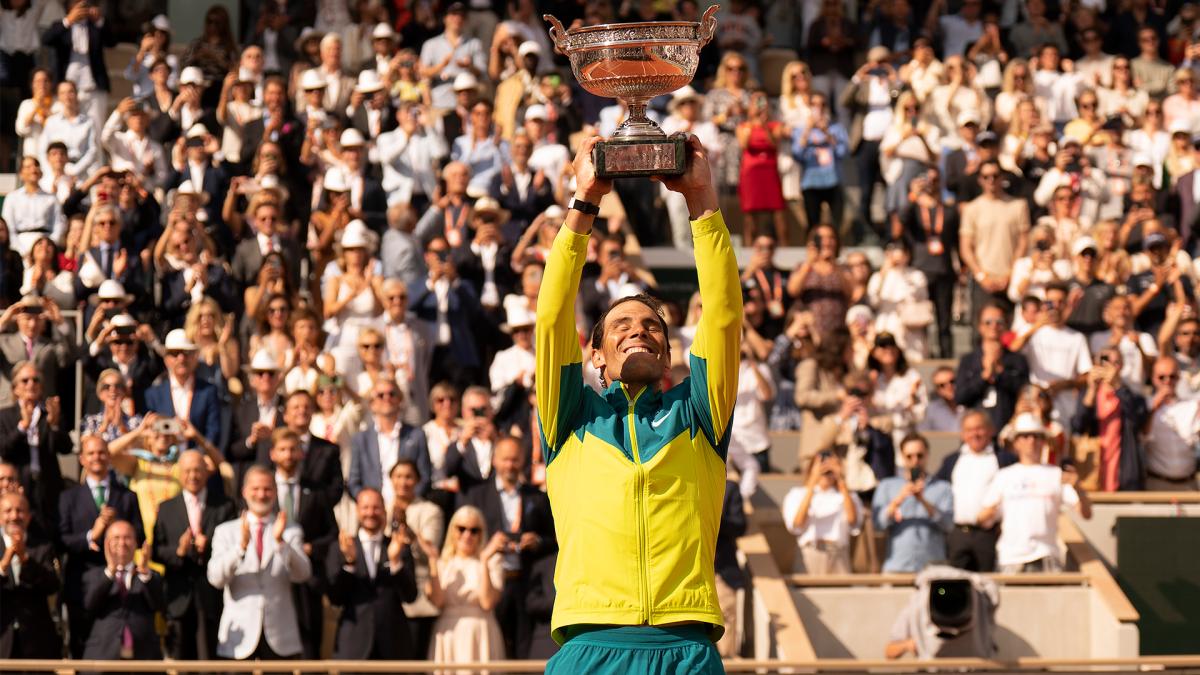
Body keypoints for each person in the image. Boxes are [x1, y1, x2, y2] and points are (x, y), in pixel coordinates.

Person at [536, 135, 735, 672]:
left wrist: (702, 202)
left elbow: (721, 315)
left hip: (686, 648)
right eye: (621, 326)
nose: (638, 332)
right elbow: (552, 317)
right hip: (588, 648)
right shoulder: (569, 418)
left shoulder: (698, 415)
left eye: (652, 327)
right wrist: (584, 203)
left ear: (670, 358)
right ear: (594, 355)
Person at [461, 435, 556, 659]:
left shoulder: (538, 498)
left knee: (523, 646)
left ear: (522, 460)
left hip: (526, 582)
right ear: (494, 460)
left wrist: (538, 541)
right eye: (505, 459)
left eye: (514, 460)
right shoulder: (477, 495)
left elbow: (554, 539)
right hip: (490, 581)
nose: (509, 465)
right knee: (493, 647)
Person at [207, 464, 312, 660]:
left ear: (274, 492)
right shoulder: (226, 531)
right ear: (245, 492)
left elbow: (303, 574)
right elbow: (215, 578)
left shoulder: (290, 530)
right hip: (238, 636)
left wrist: (282, 543)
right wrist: (241, 547)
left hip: (280, 636)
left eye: (267, 489)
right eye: (256, 489)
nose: (261, 494)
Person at [58, 434, 145, 657]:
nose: (97, 457)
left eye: (102, 452)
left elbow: (140, 535)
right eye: (91, 453)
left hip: (119, 589)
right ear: (82, 459)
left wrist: (119, 537)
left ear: (109, 456)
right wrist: (91, 535)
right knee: (81, 649)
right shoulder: (68, 497)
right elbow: (63, 540)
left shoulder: (127, 496)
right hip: (82, 584)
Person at [151, 449, 237, 660]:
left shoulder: (225, 506)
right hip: (177, 597)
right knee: (180, 661)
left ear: (207, 472)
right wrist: (178, 551)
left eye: (198, 470)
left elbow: (233, 546)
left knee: (209, 660)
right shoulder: (166, 508)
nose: (193, 476)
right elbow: (156, 551)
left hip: (212, 597)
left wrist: (208, 547)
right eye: (187, 470)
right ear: (179, 474)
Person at [978, 413, 1092, 573]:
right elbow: (982, 519)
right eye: (1025, 436)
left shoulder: (1056, 474)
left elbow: (1086, 513)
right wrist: (990, 512)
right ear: (1016, 442)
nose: (1031, 440)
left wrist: (1078, 488)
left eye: (1036, 436)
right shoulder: (1004, 476)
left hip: (1046, 555)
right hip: (1010, 558)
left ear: (1043, 441)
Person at [327, 487, 419, 660]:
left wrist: (395, 562)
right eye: (366, 507)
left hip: (393, 645)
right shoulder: (340, 547)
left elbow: (410, 596)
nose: (371, 513)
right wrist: (350, 562)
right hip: (353, 645)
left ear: (384, 510)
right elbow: (335, 598)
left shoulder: (399, 547)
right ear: (357, 510)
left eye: (376, 507)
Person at [423, 504, 506, 667]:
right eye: (461, 529)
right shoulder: (441, 563)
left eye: (474, 530)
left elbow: (487, 602)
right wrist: (433, 561)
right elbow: (438, 602)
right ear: (452, 531)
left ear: (481, 534)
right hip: (448, 634)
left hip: (482, 634)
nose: (467, 535)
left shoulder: (493, 562)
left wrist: (484, 561)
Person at [933, 411, 1016, 573]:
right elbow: (937, 490)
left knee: (986, 585)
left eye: (979, 428)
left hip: (988, 535)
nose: (975, 434)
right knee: (954, 586)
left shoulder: (1004, 459)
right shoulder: (952, 460)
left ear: (991, 430)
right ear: (963, 434)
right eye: (969, 430)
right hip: (957, 534)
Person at [80, 519, 164, 661]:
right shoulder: (93, 575)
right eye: (116, 538)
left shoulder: (150, 576)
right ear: (106, 543)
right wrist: (111, 571)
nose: (122, 543)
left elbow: (160, 605)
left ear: (136, 543)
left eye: (127, 538)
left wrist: (144, 573)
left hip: (144, 659)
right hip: (103, 657)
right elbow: (88, 606)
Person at [1011, 282, 1093, 424]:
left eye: (1060, 302)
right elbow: (1012, 351)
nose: (1055, 306)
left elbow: (1086, 375)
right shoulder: (1030, 332)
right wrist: (1037, 325)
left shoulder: (1077, 338)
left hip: (1065, 409)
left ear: (1067, 304)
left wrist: (1064, 384)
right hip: (1035, 406)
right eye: (1050, 302)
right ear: (1043, 304)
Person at [1071, 347, 1148, 492]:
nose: (1109, 367)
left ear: (1122, 366)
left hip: (1124, 477)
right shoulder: (1087, 395)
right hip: (1093, 475)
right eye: (1105, 361)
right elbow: (1078, 427)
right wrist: (1092, 390)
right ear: (1095, 363)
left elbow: (1138, 420)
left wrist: (1117, 386)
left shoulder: (1133, 396)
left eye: (1116, 362)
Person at [960, 160, 1030, 318]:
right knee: (980, 333)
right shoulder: (971, 209)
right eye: (986, 177)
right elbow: (966, 247)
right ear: (980, 180)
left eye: (995, 176)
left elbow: (1023, 242)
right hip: (983, 281)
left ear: (1002, 178)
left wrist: (1010, 273)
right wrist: (981, 276)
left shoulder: (1018, 205)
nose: (991, 180)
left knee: (1009, 332)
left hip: (1011, 279)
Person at [873, 434, 953, 573]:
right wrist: (899, 499)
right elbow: (878, 525)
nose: (915, 461)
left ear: (927, 455)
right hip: (897, 566)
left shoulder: (942, 488)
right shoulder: (888, 486)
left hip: (933, 567)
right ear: (902, 457)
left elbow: (949, 525)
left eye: (919, 455)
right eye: (909, 456)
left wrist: (923, 501)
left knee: (940, 594)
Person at [0, 491, 61, 660]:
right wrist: (3, 565)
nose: (14, 516)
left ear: (28, 516)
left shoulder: (42, 548)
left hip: (36, 643)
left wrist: (25, 559)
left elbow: (52, 586)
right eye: (8, 511)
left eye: (20, 511)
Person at [348, 379, 432, 501]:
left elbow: (425, 477)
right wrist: (369, 503)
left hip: (409, 507)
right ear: (372, 404)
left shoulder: (417, 435)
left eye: (392, 394)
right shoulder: (360, 439)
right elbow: (354, 482)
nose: (387, 398)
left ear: (399, 400)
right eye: (381, 395)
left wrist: (408, 501)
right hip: (374, 512)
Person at [782, 452, 865, 575]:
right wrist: (812, 482)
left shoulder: (849, 496)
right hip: (811, 553)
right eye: (822, 463)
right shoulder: (797, 494)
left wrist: (841, 480)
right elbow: (797, 524)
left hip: (839, 554)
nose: (826, 469)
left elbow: (853, 521)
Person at [955, 305, 1030, 430]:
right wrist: (984, 376)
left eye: (999, 322)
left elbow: (1023, 391)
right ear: (980, 326)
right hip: (976, 431)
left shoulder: (1017, 360)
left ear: (1005, 326)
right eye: (988, 322)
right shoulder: (968, 360)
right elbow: (961, 397)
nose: (994, 326)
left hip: (1008, 427)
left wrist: (1000, 372)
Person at [144, 329, 222, 447]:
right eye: (175, 353)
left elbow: (213, 431)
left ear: (195, 356)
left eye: (186, 353)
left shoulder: (209, 391)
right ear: (166, 359)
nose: (181, 358)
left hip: (197, 460)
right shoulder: (153, 394)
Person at [1144, 356, 1200, 490]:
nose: (1167, 381)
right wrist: (1153, 409)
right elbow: (1142, 438)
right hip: (1157, 483)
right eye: (1161, 377)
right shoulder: (1145, 405)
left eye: (1172, 377)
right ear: (1153, 379)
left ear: (1179, 378)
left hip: (1188, 483)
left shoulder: (1191, 406)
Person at [920, 366, 964, 432]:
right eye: (942, 385)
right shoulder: (931, 410)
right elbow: (924, 433)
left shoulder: (972, 406)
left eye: (952, 381)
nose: (949, 387)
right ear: (937, 390)